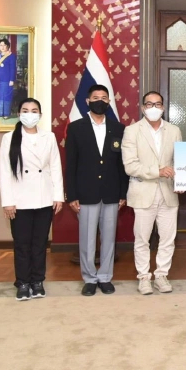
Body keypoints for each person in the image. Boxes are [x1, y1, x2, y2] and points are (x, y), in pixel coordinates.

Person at [65, 84, 128, 296]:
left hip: (111, 192)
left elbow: (122, 165)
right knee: (87, 239)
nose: (99, 101)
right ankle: (90, 278)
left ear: (109, 102)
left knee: (109, 238)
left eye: (104, 97)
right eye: (95, 97)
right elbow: (70, 164)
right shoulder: (76, 128)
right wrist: (72, 194)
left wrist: (123, 193)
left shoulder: (118, 128)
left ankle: (105, 277)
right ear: (87, 101)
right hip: (86, 193)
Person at [0, 98, 63, 301]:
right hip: (20, 200)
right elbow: (5, 171)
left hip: (44, 197)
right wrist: (7, 201)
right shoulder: (9, 138)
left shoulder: (49, 137)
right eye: (25, 110)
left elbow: (55, 167)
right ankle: (23, 282)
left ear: (40, 115)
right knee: (22, 244)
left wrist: (58, 196)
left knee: (40, 243)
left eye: (34, 110)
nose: (30, 114)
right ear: (19, 114)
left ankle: (37, 281)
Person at [122, 91, 182, 295]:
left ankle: (162, 275)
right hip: (143, 192)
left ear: (163, 108)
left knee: (168, 239)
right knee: (142, 239)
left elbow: (179, 161)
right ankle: (144, 277)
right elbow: (130, 165)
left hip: (168, 192)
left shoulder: (174, 130)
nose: (154, 108)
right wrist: (157, 171)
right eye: (149, 104)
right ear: (142, 108)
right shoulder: (132, 131)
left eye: (158, 104)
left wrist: (181, 180)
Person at [0, 38, 17, 119]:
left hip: (7, 80)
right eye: (1, 45)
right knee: (0, 96)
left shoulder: (11, 56)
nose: (2, 47)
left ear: (8, 46)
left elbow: (13, 68)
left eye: (4, 45)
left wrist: (12, 80)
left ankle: (6, 113)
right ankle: (0, 112)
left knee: (6, 96)